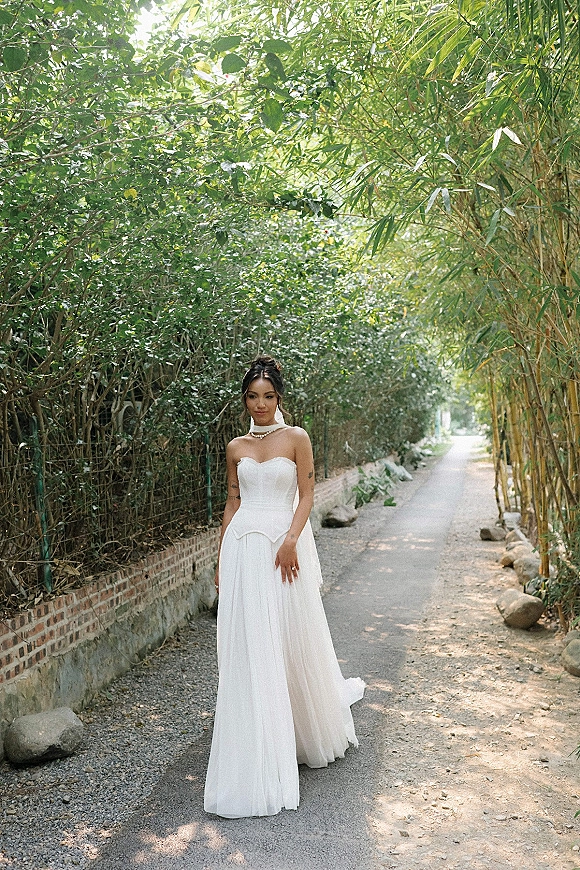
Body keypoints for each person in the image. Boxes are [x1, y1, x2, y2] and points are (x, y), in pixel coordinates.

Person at [204, 355, 365, 819]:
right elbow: (232, 504)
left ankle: (298, 732)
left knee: (289, 636)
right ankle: (257, 738)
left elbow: (308, 495)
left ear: (279, 397)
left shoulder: (297, 438)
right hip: (242, 550)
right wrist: (220, 559)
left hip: (281, 548)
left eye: (268, 396)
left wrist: (292, 539)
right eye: (252, 396)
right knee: (252, 645)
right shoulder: (235, 446)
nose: (260, 404)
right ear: (244, 399)